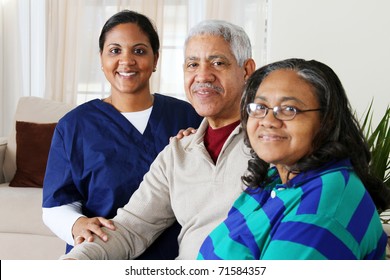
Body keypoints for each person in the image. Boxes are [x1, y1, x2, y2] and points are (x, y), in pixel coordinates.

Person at [59, 19, 256, 260]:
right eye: (192, 64)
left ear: (246, 70)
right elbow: (131, 227)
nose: (203, 75)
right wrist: (76, 260)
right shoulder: (178, 152)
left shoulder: (271, 146)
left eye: (217, 63)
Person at [42, 10, 203, 259]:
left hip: (175, 256)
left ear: (156, 58)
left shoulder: (189, 117)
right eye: (115, 51)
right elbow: (56, 204)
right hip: (103, 252)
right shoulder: (74, 126)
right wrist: (77, 225)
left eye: (139, 51)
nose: (126, 60)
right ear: (101, 58)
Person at [197, 58, 390, 260]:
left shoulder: (324, 205)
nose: (268, 121)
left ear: (327, 119)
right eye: (260, 107)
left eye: (289, 109)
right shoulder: (273, 179)